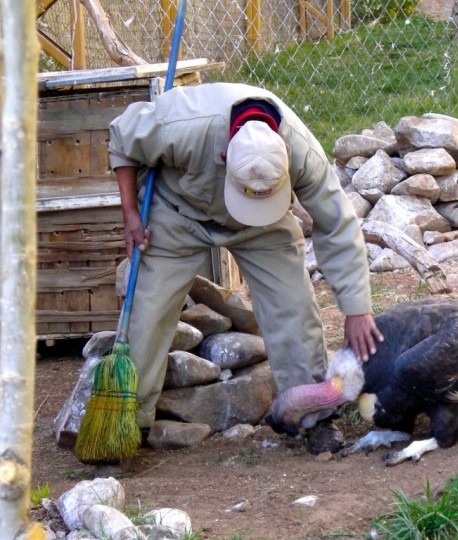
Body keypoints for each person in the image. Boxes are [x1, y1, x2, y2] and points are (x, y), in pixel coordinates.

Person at [108, 82, 383, 457]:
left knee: (294, 309)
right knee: (147, 316)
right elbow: (122, 138)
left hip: (263, 226)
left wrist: (357, 307)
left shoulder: (302, 152)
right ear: (223, 154)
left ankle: (311, 417)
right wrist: (129, 214)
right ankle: (127, 423)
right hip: (178, 211)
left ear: (285, 154)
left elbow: (337, 223)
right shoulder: (181, 127)